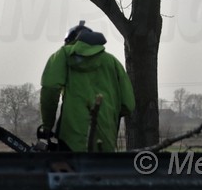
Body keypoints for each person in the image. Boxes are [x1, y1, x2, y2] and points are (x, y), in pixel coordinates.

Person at [40, 21, 135, 152]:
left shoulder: (64, 55)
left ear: (70, 41)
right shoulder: (112, 62)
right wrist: (108, 115)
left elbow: (50, 89)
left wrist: (47, 126)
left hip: (70, 138)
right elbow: (128, 104)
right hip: (106, 138)